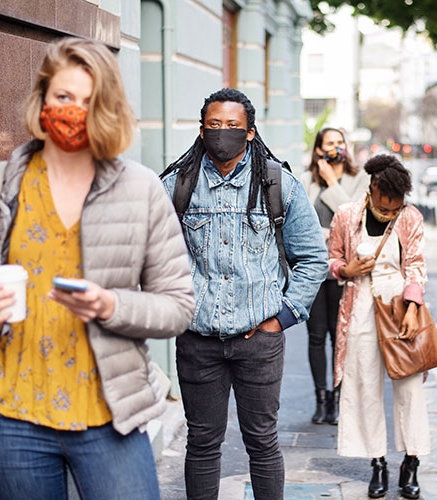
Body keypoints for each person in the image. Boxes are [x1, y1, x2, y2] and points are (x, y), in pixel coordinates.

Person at [0, 37, 195, 500]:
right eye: (63, 97)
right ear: (42, 99)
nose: (74, 111)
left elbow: (178, 306)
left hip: (108, 415)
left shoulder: (140, 190)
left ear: (109, 109)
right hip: (11, 416)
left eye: (89, 101)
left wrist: (110, 304)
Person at [160, 88, 328, 500]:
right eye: (214, 126)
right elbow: (151, 255)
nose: (223, 133)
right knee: (201, 443)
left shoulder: (277, 184)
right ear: (202, 131)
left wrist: (282, 318)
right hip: (198, 342)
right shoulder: (176, 186)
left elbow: (313, 259)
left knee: (262, 441)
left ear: (250, 132)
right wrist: (175, 308)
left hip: (260, 341)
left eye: (233, 126)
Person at [328, 154, 430, 499]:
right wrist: (346, 270)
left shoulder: (410, 217)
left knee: (410, 385)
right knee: (364, 385)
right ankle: (377, 463)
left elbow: (416, 262)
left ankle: (411, 461)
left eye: (396, 208)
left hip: (401, 307)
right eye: (384, 208)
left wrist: (414, 306)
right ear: (371, 190)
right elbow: (331, 258)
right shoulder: (346, 215)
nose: (390, 213)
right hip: (359, 308)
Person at [299, 127, 370, 425]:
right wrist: (326, 235)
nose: (336, 148)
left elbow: (354, 216)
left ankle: (339, 399)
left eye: (340, 143)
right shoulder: (305, 181)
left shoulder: (360, 178)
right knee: (317, 336)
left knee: (341, 337)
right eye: (330, 143)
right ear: (318, 150)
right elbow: (299, 223)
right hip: (315, 269)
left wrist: (331, 181)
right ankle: (322, 400)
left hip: (346, 270)